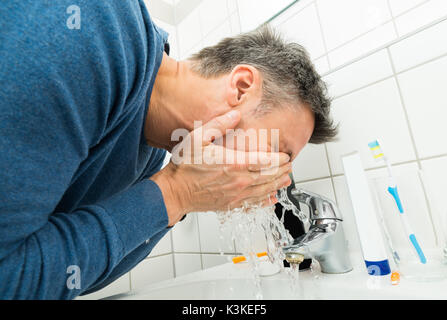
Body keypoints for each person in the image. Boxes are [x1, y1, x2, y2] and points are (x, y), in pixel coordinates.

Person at [0, 0, 336, 299]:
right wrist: (176, 194)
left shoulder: (148, 161)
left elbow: (68, 280)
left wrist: (181, 196)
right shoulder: (94, 25)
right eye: (279, 154)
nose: (277, 180)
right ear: (242, 87)